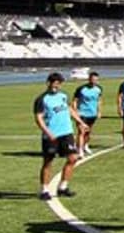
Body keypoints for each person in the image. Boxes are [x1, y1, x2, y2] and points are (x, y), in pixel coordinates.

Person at [34, 72, 87, 200]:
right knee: (48, 162)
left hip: (66, 133)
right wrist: (48, 132)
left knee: (73, 158)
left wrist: (80, 122)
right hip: (52, 135)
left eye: (58, 84)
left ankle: (63, 187)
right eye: (54, 83)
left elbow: (69, 109)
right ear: (48, 83)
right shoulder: (41, 99)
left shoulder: (63, 96)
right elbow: (39, 118)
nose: (56, 86)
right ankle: (44, 190)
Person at [73, 71, 103, 157]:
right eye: (92, 79)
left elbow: (99, 100)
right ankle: (80, 151)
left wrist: (99, 111)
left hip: (92, 113)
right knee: (81, 132)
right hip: (82, 113)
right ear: (89, 79)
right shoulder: (81, 89)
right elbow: (75, 101)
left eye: (96, 80)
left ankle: (85, 145)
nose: (94, 81)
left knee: (88, 132)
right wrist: (76, 111)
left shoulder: (99, 89)